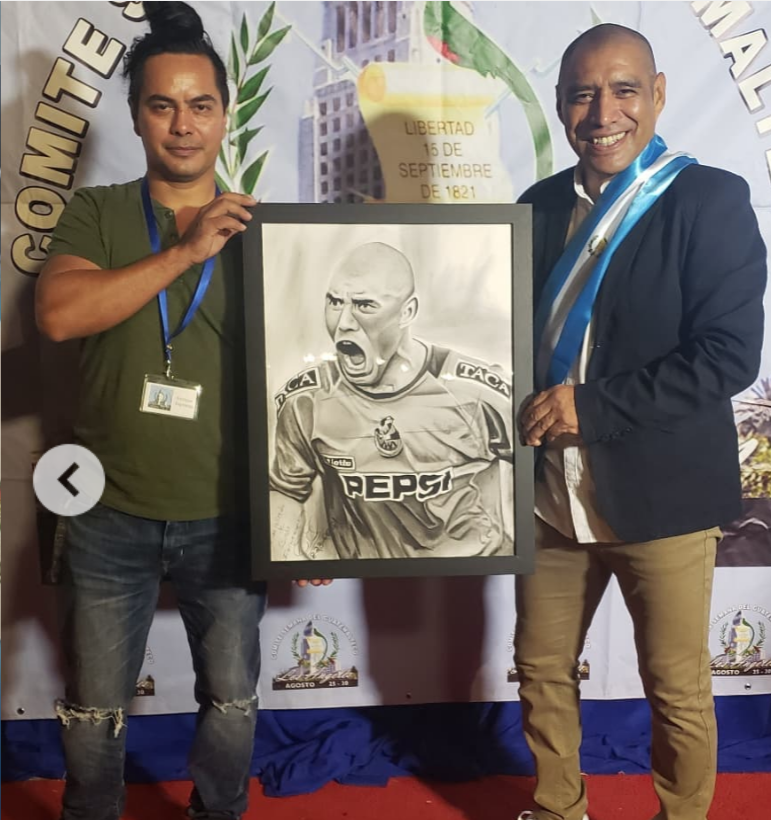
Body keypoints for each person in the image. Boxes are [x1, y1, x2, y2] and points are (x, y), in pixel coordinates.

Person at [33, 5, 322, 820]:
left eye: (200, 105)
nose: (183, 124)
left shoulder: (268, 233)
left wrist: (313, 517)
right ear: (136, 117)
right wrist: (187, 251)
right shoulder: (97, 212)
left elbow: (305, 379)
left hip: (228, 512)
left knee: (232, 699)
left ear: (225, 114)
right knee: (94, 707)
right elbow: (58, 315)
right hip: (105, 511)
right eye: (162, 105)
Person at [514, 24, 767, 820]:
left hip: (663, 497)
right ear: (561, 105)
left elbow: (728, 356)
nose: (603, 113)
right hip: (551, 498)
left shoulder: (709, 199)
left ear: (656, 95)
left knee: (676, 684)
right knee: (541, 669)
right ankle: (558, 808)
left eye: (624, 90)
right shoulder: (536, 207)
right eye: (582, 94)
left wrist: (590, 407)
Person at [269, 241, 515, 561]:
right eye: (335, 302)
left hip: (472, 573)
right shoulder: (307, 401)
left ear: (407, 312)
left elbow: (535, 469)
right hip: (365, 576)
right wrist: (291, 558)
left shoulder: (477, 394)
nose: (344, 322)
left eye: (364, 305)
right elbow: (286, 491)